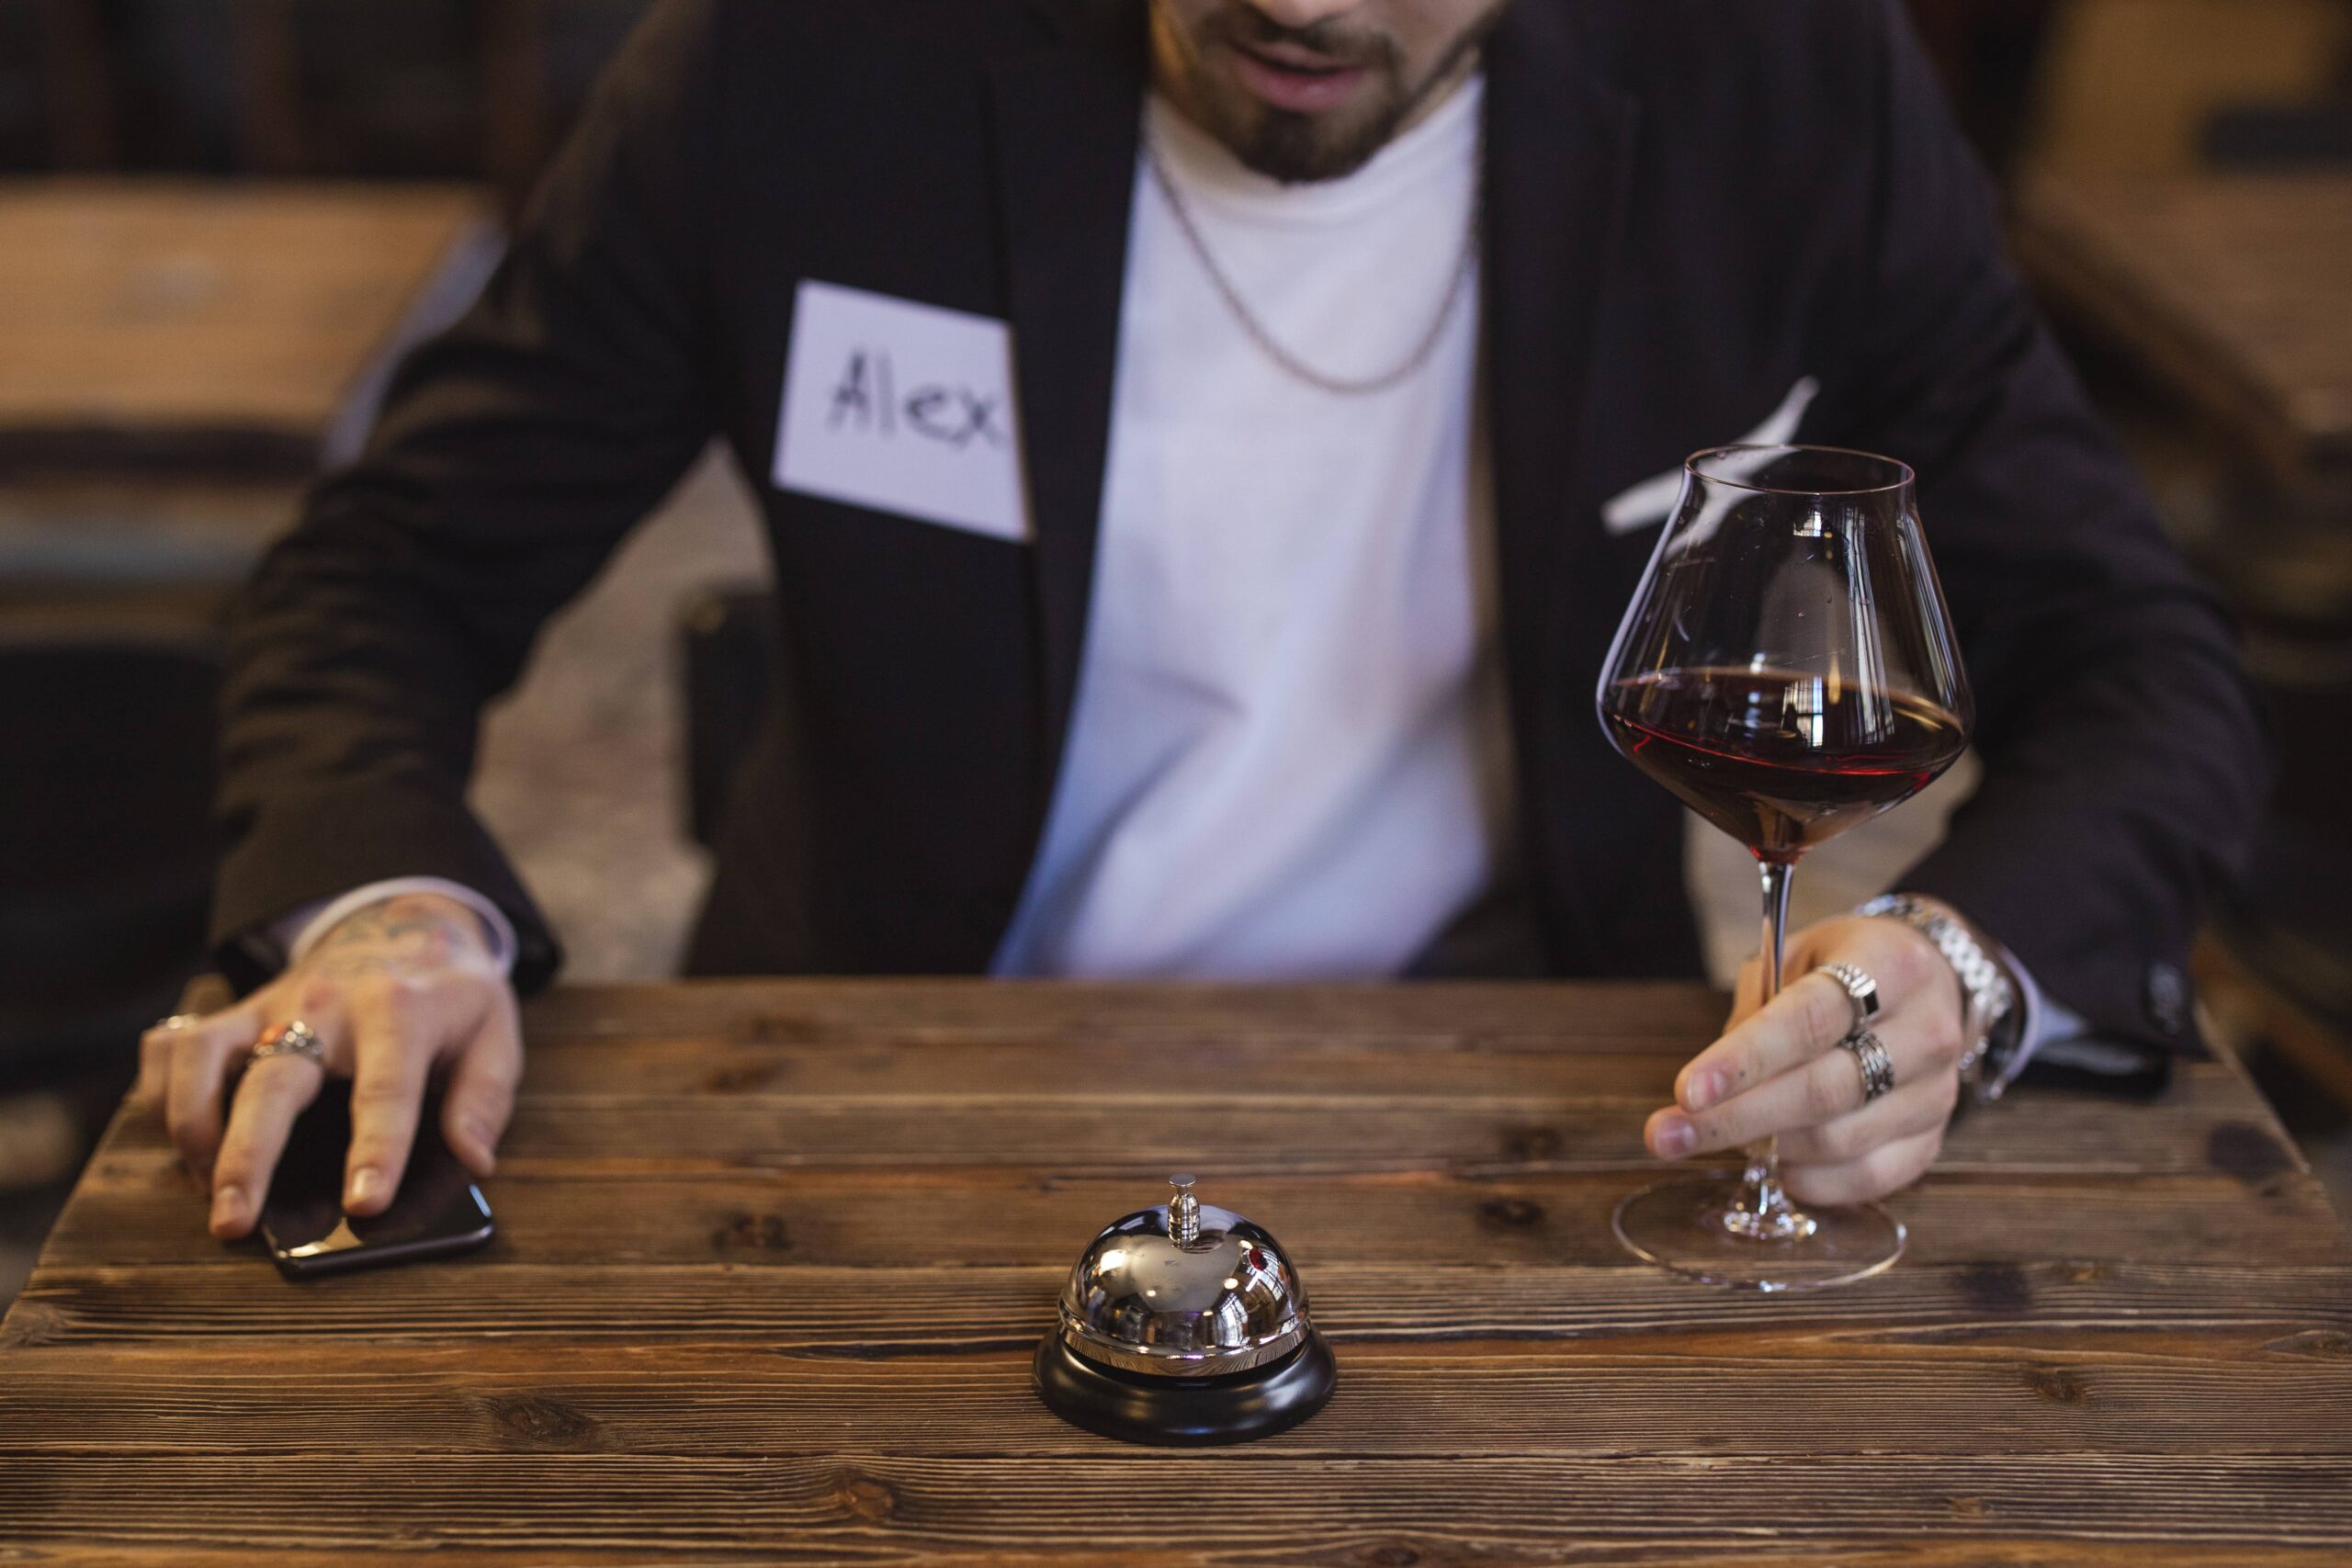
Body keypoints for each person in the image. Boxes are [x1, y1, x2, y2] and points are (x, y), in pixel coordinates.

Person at [141, 0, 2265, 1242]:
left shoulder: (1770, 80)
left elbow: (2139, 669)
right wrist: (390, 905)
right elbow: (386, 563)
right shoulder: (799, 68)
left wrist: (1962, 966)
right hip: (877, 1096)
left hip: (1526, 1095)